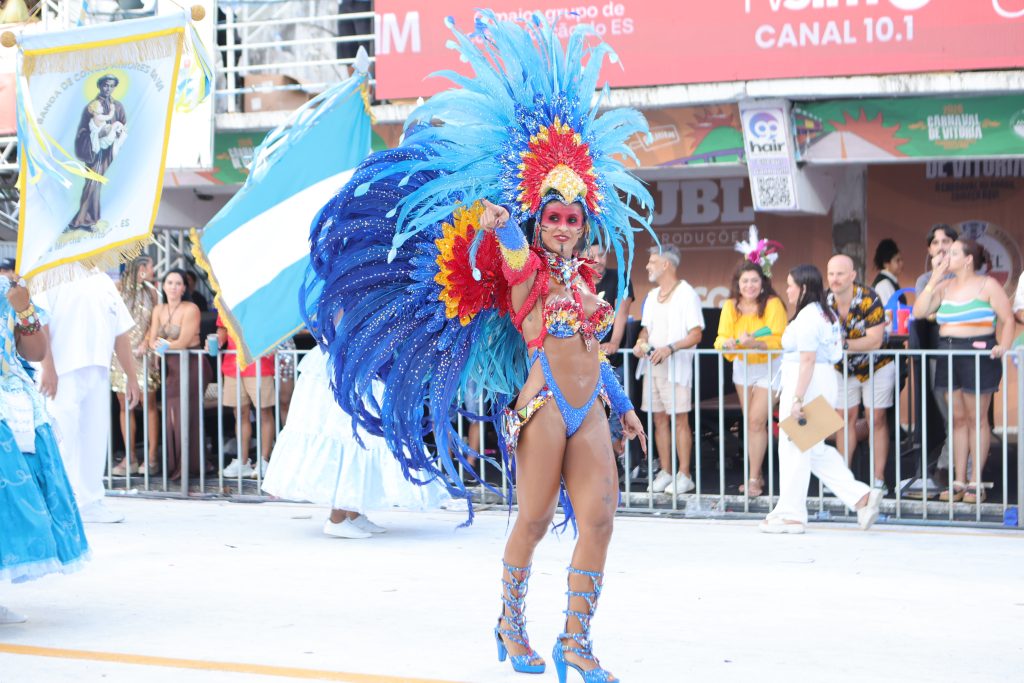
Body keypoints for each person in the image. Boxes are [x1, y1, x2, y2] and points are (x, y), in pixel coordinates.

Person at [300, 13, 652, 682]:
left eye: (572, 218)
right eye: (551, 215)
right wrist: (499, 225)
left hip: (591, 406)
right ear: (537, 218)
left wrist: (622, 403)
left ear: (584, 224)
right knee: (538, 516)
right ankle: (509, 621)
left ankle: (575, 641)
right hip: (543, 403)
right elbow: (513, 250)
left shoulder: (584, 281)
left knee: (601, 518)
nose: (562, 226)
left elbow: (592, 351)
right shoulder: (521, 268)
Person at [262, 346, 451, 538]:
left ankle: (353, 513)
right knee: (351, 435)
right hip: (348, 363)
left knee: (368, 437)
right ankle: (337, 518)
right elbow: (339, 326)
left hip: (367, 359)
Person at [760, 264, 883, 534]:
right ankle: (861, 497)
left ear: (803, 288)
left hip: (809, 384)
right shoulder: (824, 315)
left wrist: (797, 399)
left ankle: (792, 514)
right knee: (813, 450)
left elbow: (807, 360)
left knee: (794, 448)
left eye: (791, 285)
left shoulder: (808, 318)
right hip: (822, 381)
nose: (788, 290)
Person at [0, 274, 91, 624]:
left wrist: (23, 308)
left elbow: (35, 351)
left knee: (12, 504)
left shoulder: (9, 289)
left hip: (11, 406)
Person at [911, 238, 1013, 504]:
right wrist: (934, 277)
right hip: (948, 351)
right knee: (956, 420)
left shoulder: (987, 284)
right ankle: (958, 480)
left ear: (968, 259)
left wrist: (1003, 345)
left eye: (953, 252)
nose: (947, 255)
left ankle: (975, 481)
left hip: (978, 351)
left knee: (977, 418)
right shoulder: (944, 286)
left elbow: (1008, 318)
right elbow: (920, 311)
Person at [38, 265, 141, 523]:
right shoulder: (50, 272)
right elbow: (41, 325)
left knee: (95, 438)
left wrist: (131, 376)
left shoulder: (103, 279)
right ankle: (60, 503)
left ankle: (90, 501)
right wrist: (47, 367)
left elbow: (121, 332)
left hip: (97, 369)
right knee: (63, 438)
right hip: (63, 371)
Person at [633, 244, 704, 495]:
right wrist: (641, 343)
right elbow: (645, 329)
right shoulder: (652, 296)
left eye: (652, 261)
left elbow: (696, 334)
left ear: (666, 265)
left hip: (676, 368)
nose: (647, 266)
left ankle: (684, 474)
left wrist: (669, 349)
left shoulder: (687, 294)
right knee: (658, 418)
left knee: (680, 419)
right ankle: (666, 470)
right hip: (652, 366)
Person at [714, 261, 786, 498]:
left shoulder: (774, 304)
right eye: (745, 281)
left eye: (754, 280)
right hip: (743, 367)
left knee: (756, 421)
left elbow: (778, 340)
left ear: (763, 282)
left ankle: (754, 478)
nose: (750, 285)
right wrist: (728, 344)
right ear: (738, 283)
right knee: (751, 423)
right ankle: (757, 472)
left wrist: (754, 343)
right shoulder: (730, 306)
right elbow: (721, 338)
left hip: (770, 366)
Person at [826, 254, 893, 492]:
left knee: (876, 419)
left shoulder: (869, 297)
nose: (835, 279)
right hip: (843, 369)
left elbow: (875, 341)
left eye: (840, 273)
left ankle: (878, 480)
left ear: (852, 276)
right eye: (831, 273)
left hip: (876, 366)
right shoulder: (824, 301)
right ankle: (844, 480)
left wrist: (842, 346)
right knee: (844, 421)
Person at [145, 269, 209, 481]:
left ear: (184, 288)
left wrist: (160, 346)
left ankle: (191, 464)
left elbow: (183, 342)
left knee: (186, 412)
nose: (173, 287)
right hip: (171, 364)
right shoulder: (158, 309)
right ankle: (174, 464)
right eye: (169, 282)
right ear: (163, 286)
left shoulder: (191, 308)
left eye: (177, 283)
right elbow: (153, 338)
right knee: (172, 415)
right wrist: (159, 346)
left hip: (191, 363)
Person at [110, 256, 161, 476]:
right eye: (151, 267)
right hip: (120, 355)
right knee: (124, 406)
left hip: (144, 354)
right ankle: (130, 457)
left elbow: (156, 322)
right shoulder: (117, 288)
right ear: (141, 268)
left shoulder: (152, 292)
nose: (153, 271)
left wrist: (146, 341)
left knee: (148, 404)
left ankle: (151, 457)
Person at [217, 315, 276, 479]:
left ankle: (264, 460)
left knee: (264, 412)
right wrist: (217, 340)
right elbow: (222, 328)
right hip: (232, 363)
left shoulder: (262, 295)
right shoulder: (225, 298)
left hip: (259, 361)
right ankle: (242, 462)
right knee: (240, 414)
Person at [67, 74, 127, 232]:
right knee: (92, 182)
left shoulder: (118, 106)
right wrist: (99, 135)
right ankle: (82, 220)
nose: (108, 88)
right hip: (95, 152)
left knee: (102, 183)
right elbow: (83, 131)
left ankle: (92, 218)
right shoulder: (92, 106)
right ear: (100, 86)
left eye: (112, 86)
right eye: (106, 85)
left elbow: (123, 124)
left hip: (110, 150)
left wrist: (117, 134)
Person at [872, 238, 905, 306]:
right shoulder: (884, 284)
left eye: (901, 259)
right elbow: (889, 312)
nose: (901, 263)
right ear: (886, 263)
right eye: (897, 260)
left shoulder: (890, 281)